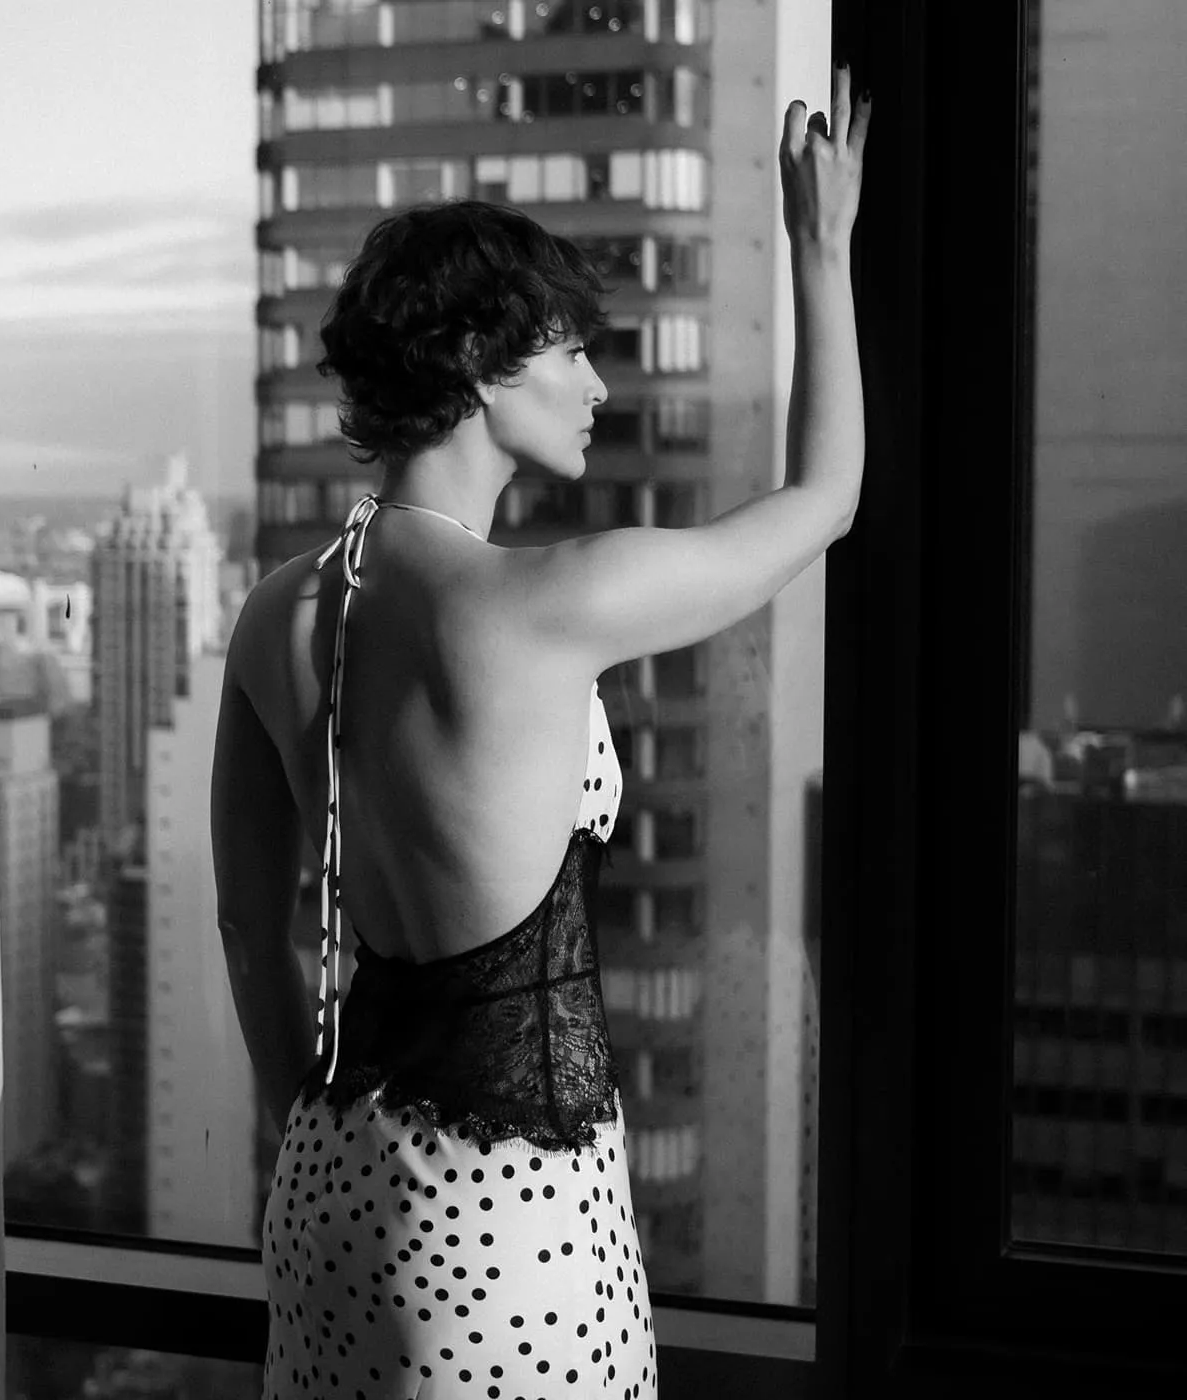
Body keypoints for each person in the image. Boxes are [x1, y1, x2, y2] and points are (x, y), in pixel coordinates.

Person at [212, 64, 871, 1400]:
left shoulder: (275, 614)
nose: (597, 386)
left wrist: (303, 1128)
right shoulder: (545, 605)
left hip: (330, 1197)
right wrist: (820, 249)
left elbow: (249, 924)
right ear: (472, 361)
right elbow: (826, 499)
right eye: (567, 347)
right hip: (510, 1228)